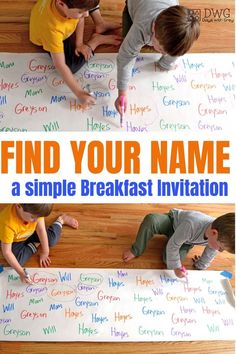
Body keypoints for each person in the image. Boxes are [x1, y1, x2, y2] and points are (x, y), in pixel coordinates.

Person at [30, 0, 121, 107]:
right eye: (81, 12)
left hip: (64, 21)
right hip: (52, 34)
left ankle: (100, 24)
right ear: (61, 4)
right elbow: (60, 65)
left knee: (85, 6)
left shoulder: (70, 9)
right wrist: (79, 93)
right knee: (71, 67)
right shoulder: (52, 30)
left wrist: (79, 44)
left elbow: (80, 18)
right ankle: (96, 41)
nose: (87, 14)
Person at [115, 1, 200, 115]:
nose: (164, 54)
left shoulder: (181, 32)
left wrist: (166, 64)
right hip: (134, 4)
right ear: (154, 28)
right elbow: (126, 57)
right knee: (127, 40)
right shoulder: (141, 27)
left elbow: (176, 51)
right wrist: (122, 92)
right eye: (160, 50)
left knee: (168, 47)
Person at [122, 209, 235, 278]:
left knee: (168, 261)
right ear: (214, 233)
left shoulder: (216, 236)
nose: (219, 250)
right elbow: (173, 245)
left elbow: (211, 251)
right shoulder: (192, 225)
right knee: (150, 220)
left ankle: (174, 249)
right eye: (221, 248)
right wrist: (176, 267)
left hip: (185, 240)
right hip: (172, 223)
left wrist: (201, 265)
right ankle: (136, 250)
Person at [0, 204, 78, 283]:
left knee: (52, 240)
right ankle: (34, 244)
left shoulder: (35, 212)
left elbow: (41, 230)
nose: (36, 220)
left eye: (39, 217)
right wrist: (21, 273)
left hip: (32, 232)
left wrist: (45, 251)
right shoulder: (7, 224)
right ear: (18, 206)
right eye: (33, 217)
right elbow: (7, 252)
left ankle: (61, 220)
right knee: (17, 262)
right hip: (15, 240)